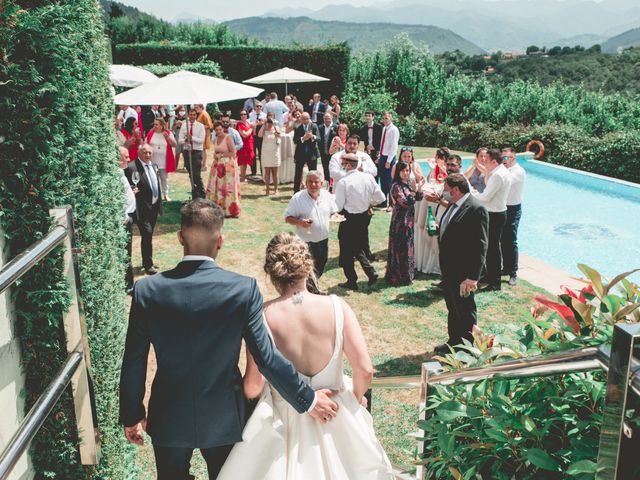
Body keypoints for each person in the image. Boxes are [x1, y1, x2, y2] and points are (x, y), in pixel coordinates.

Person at [119, 200, 339, 480]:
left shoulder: (147, 291)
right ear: (220, 240)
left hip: (169, 415)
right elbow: (266, 357)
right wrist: (307, 399)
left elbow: (134, 360)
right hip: (224, 416)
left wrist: (131, 413)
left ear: (179, 237)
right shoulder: (242, 289)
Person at [217, 233, 393, 480]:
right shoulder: (337, 306)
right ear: (308, 267)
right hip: (336, 411)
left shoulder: (263, 317)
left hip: (283, 423)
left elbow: (253, 387)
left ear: (271, 272)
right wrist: (352, 399)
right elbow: (364, 370)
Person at [434, 174, 488, 354]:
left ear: (456, 190)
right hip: (449, 268)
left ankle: (467, 348)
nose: (444, 193)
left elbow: (481, 245)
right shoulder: (453, 204)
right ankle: (454, 342)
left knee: (465, 311)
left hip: (464, 271)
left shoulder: (476, 209)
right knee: (453, 307)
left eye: (446, 190)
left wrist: (473, 277)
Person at [335, 155, 385, 290]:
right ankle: (370, 272)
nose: (343, 167)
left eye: (343, 164)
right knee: (356, 246)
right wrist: (369, 203)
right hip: (364, 217)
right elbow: (381, 198)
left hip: (349, 218)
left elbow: (338, 207)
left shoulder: (343, 182)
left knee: (346, 249)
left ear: (348, 165)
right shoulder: (368, 177)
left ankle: (352, 280)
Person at [284, 171, 339, 278]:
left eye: (316, 182)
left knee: (320, 265)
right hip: (306, 242)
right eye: (310, 182)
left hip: (323, 239)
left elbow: (333, 211)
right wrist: (300, 222)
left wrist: (335, 215)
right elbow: (287, 218)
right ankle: (311, 289)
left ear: (322, 183)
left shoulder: (327, 195)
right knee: (306, 269)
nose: (313, 185)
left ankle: (313, 287)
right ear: (305, 183)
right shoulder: (298, 198)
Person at [473, 148, 511, 292]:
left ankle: (495, 282)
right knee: (491, 248)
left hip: (494, 214)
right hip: (498, 213)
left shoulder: (497, 175)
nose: (484, 162)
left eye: (487, 160)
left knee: (492, 249)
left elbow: (486, 197)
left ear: (494, 161)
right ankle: (490, 277)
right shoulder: (502, 172)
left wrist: (471, 195)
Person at [125, 144, 162, 275]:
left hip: (153, 207)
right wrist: (132, 189)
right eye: (145, 153)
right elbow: (127, 185)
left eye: (150, 153)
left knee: (149, 235)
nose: (147, 155)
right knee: (147, 234)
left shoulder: (153, 165)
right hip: (142, 209)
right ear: (139, 153)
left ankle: (147, 260)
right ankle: (148, 265)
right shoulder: (132, 167)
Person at [386, 161, 424, 287]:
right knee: (400, 248)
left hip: (408, 220)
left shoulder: (407, 184)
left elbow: (418, 198)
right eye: (403, 170)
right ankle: (398, 276)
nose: (406, 173)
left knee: (407, 247)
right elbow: (405, 202)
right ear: (398, 172)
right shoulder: (396, 186)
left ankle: (407, 275)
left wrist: (418, 189)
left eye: (407, 170)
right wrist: (414, 193)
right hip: (400, 221)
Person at [501, 146, 526, 286]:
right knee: (502, 240)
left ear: (513, 158)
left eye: (506, 157)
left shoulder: (518, 171)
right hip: (502, 207)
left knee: (511, 241)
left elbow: (506, 181)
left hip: (513, 209)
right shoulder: (504, 170)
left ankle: (513, 273)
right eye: (502, 157)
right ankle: (505, 268)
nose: (503, 160)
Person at [207, 121, 241, 218]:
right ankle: (218, 208)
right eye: (217, 130)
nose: (219, 131)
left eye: (220, 129)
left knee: (228, 188)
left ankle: (230, 210)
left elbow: (233, 152)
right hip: (217, 166)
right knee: (218, 187)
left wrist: (221, 155)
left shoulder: (228, 138)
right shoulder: (216, 138)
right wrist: (215, 155)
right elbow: (216, 151)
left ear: (223, 129)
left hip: (228, 166)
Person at [119, 147, 137, 292]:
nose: (128, 159)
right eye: (125, 157)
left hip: (129, 216)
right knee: (126, 253)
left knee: (128, 252)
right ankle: (128, 285)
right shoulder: (117, 175)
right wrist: (124, 215)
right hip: (125, 219)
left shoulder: (121, 173)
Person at [146, 118, 177, 201]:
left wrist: (168, 138)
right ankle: (155, 195)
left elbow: (174, 144)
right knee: (153, 179)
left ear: (162, 125)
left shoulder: (168, 133)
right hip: (153, 161)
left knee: (164, 179)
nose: (155, 126)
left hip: (164, 161)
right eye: (154, 124)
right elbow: (145, 144)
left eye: (156, 124)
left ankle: (165, 194)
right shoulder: (151, 133)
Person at [179, 108, 206, 199]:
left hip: (196, 152)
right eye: (190, 115)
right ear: (188, 115)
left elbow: (202, 140)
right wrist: (185, 140)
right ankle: (195, 193)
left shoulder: (200, 126)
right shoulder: (184, 125)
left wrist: (192, 138)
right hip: (187, 151)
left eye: (194, 115)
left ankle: (202, 194)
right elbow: (180, 140)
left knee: (196, 175)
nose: (192, 117)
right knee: (191, 174)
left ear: (196, 115)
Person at [293, 112, 320, 194]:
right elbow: (295, 140)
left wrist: (312, 137)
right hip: (300, 154)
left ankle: (314, 191)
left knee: (313, 174)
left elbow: (319, 138)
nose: (305, 120)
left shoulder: (314, 126)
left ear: (309, 119)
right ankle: (296, 191)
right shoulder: (298, 128)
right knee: (298, 173)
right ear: (301, 119)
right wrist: (303, 138)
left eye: (307, 119)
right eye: (304, 119)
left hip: (311, 154)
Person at [378, 111, 400, 208]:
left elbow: (393, 146)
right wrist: (380, 155)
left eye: (387, 118)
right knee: (382, 180)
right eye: (383, 118)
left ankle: (391, 203)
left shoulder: (394, 130)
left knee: (389, 181)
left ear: (391, 118)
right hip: (383, 156)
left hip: (389, 158)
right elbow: (383, 144)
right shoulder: (384, 129)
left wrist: (389, 161)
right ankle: (383, 201)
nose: (384, 120)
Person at [258, 114, 282, 195]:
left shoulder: (276, 127)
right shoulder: (264, 127)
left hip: (274, 152)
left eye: (272, 118)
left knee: (275, 173)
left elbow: (279, 135)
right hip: (266, 152)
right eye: (269, 118)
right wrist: (264, 124)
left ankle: (276, 189)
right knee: (267, 172)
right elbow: (259, 135)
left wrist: (274, 127)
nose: (270, 120)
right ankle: (267, 189)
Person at [360, 111, 383, 176]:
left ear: (373, 117)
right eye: (366, 116)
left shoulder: (379, 127)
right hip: (368, 152)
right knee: (367, 170)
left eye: (369, 116)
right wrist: (366, 148)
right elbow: (365, 141)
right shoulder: (364, 128)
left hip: (377, 152)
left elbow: (381, 141)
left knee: (376, 171)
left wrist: (379, 154)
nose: (367, 117)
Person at [236, 110, 255, 182]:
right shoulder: (239, 124)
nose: (243, 115)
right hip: (243, 145)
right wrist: (251, 128)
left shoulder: (248, 123)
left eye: (244, 114)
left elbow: (253, 133)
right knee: (243, 161)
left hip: (249, 144)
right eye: (241, 114)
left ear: (247, 115)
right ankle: (242, 178)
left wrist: (254, 126)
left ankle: (243, 176)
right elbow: (244, 135)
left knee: (246, 161)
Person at [317, 112, 336, 182]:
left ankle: (333, 182)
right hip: (323, 152)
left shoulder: (336, 127)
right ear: (323, 119)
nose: (327, 120)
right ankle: (327, 181)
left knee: (333, 168)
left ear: (331, 118)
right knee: (325, 167)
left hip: (333, 152)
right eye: (325, 119)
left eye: (328, 118)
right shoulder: (320, 127)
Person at [249, 103, 266, 176]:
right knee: (252, 154)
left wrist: (262, 123)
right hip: (253, 135)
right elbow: (248, 123)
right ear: (255, 107)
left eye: (260, 106)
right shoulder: (251, 115)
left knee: (261, 154)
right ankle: (253, 172)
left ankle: (263, 171)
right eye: (257, 106)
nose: (259, 107)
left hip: (261, 136)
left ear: (262, 107)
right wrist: (255, 124)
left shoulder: (264, 115)